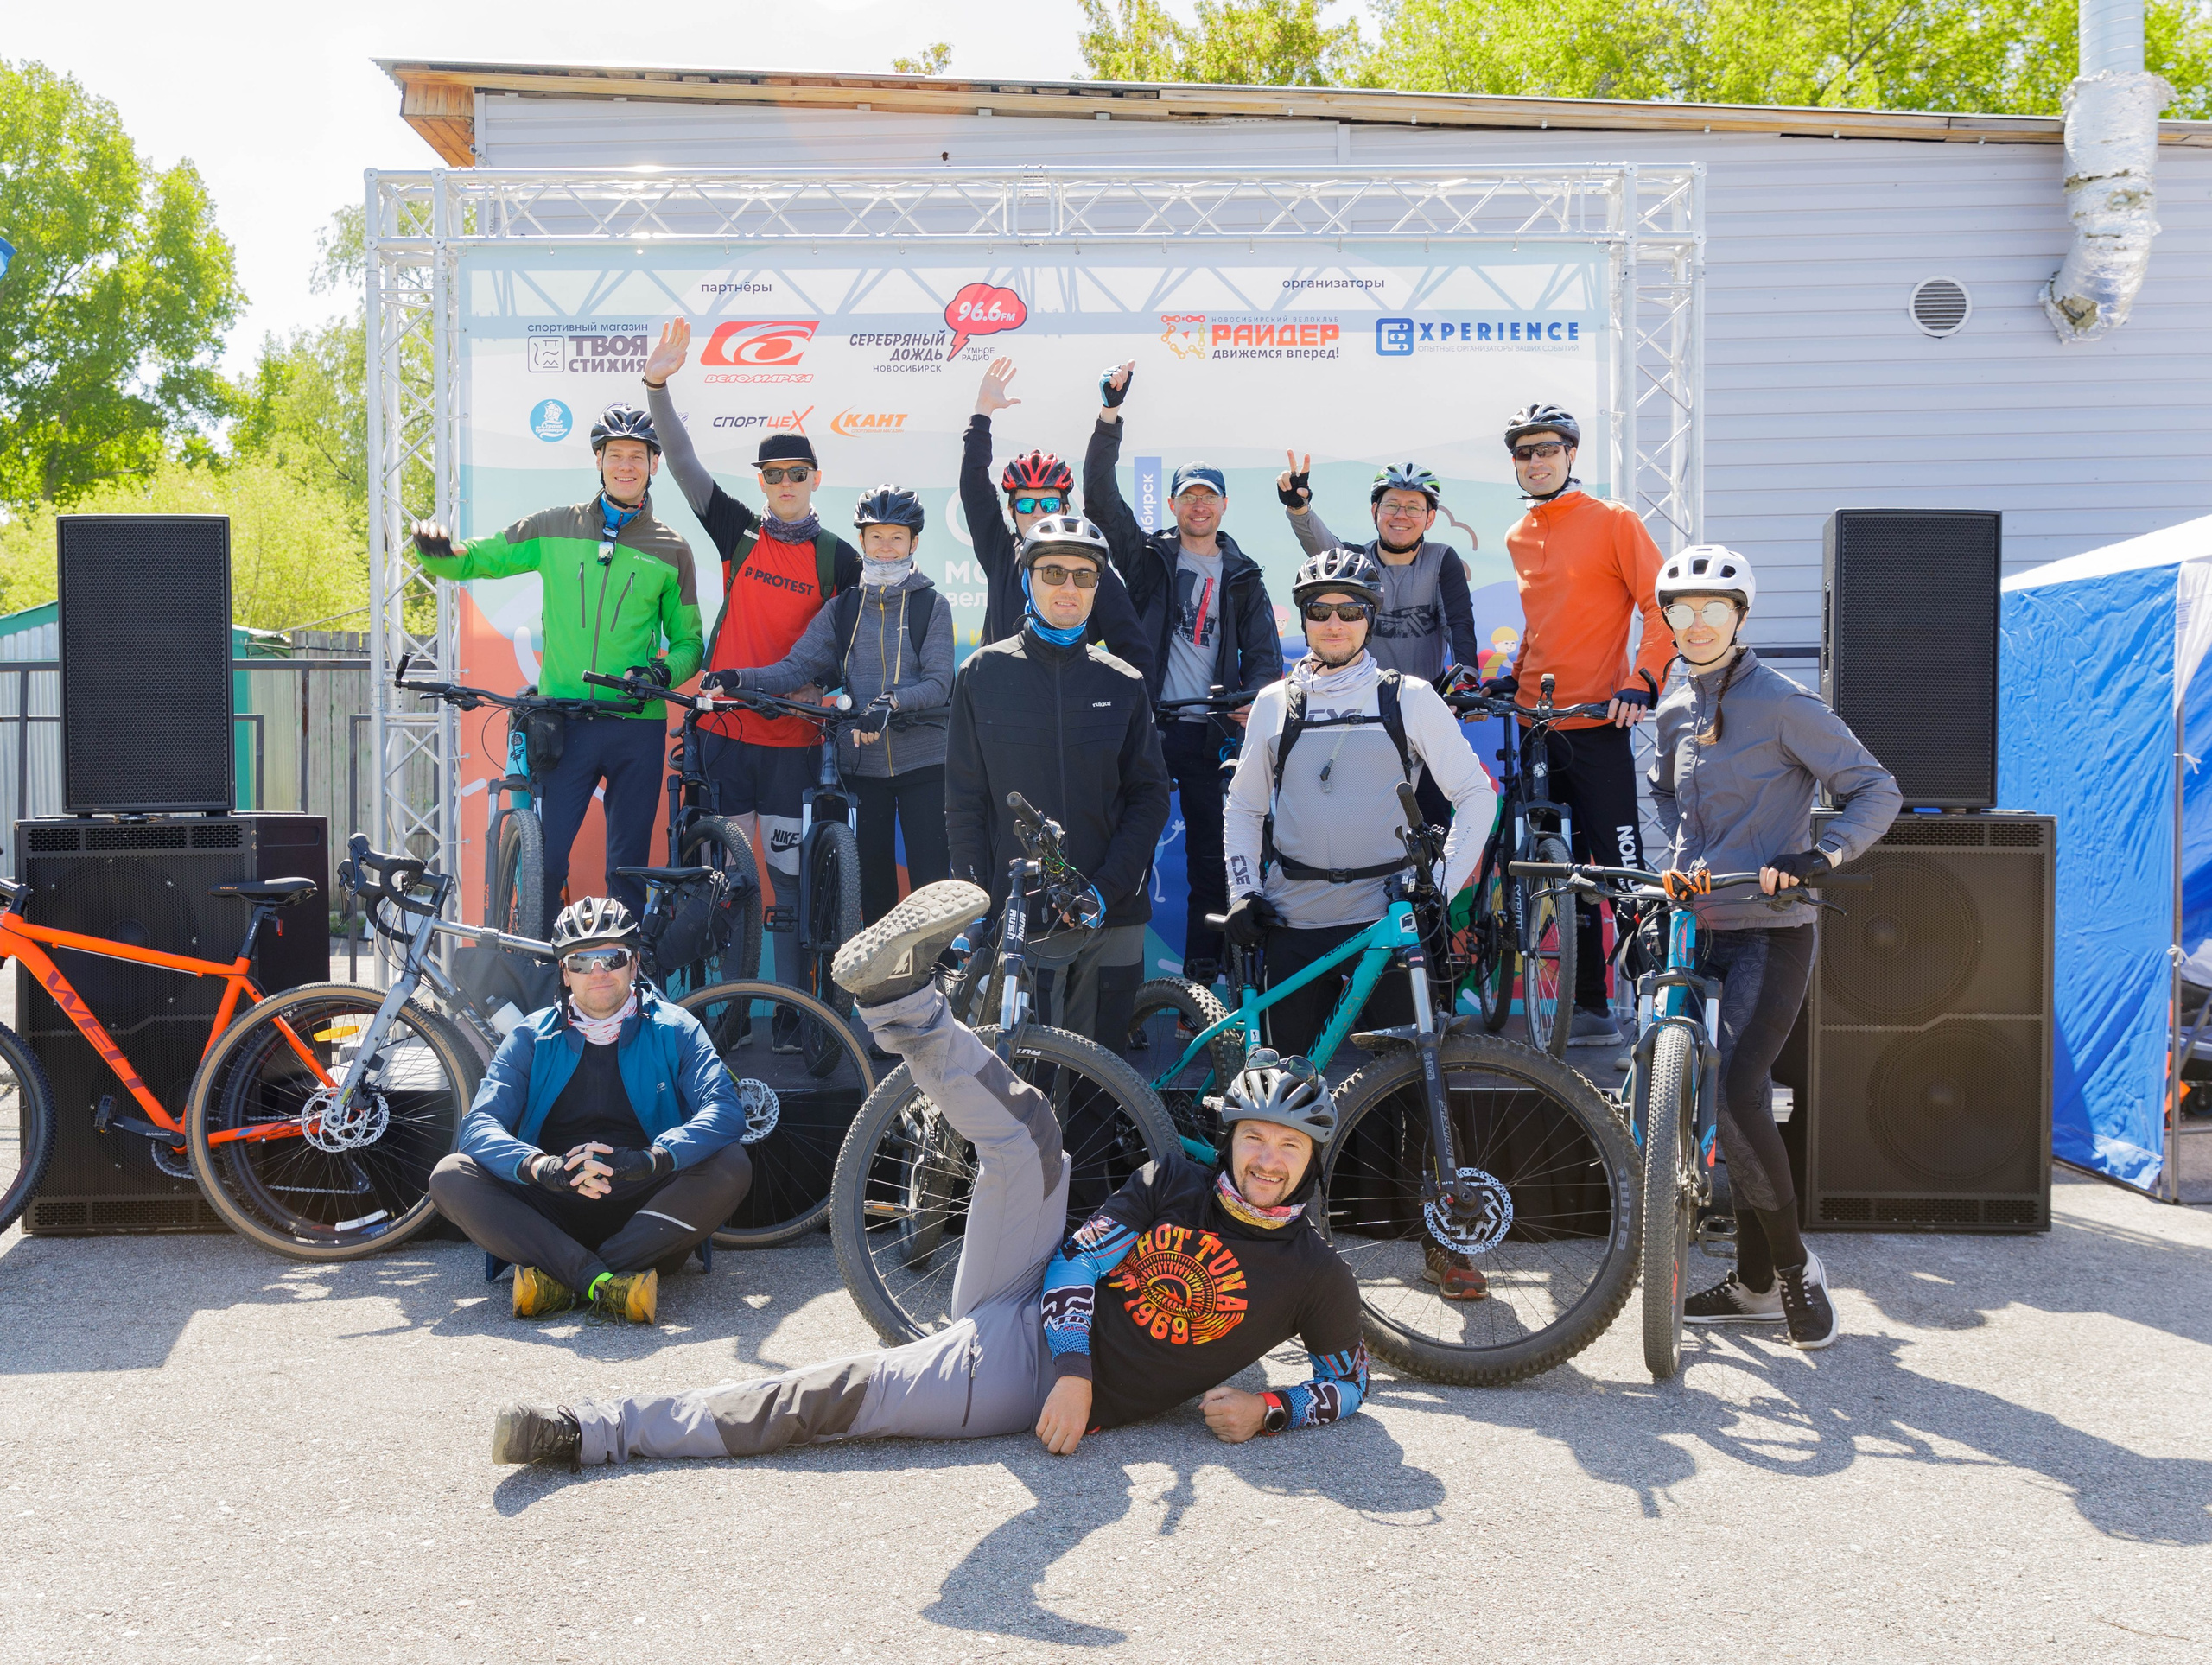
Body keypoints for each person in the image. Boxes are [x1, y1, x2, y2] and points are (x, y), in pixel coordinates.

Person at [488, 880, 1369, 1468]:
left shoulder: (1314, 1276)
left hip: (1008, 1372)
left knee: (829, 1399)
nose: (1264, 1160)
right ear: (1236, 1135)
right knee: (1033, 1138)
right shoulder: (1178, 1179)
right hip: (1037, 1312)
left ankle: (598, 1430)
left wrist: (1274, 1411)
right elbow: (1073, 1264)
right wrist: (1076, 1368)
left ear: (1309, 1163)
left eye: (1287, 1149)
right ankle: (902, 999)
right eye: (1256, 1137)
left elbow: (1351, 1378)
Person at [1221, 546, 1498, 1301]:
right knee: (1277, 1093)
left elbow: (1477, 794)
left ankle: (1449, 1241)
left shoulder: (1408, 695)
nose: (1335, 622)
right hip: (1297, 911)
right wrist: (1244, 890)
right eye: (1320, 611)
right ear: (1303, 618)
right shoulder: (1280, 701)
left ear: (1370, 616)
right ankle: (1268, 1248)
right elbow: (1244, 806)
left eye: (1350, 610)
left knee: (1422, 1080)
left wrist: (1439, 887)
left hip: (1389, 919)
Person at [1647, 546, 1901, 1350]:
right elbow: (1668, 796)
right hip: (1693, 927)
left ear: (1742, 617)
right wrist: (1679, 864)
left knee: (1736, 1092)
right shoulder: (1672, 703)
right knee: (1673, 1089)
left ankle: (1791, 1270)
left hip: (1770, 928)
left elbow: (1876, 788)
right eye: (1679, 611)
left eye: (1713, 610)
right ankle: (1751, 1283)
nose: (1695, 624)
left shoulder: (1786, 703)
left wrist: (1819, 856)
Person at [641, 319, 862, 1044]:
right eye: (774, 475)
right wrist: (657, 387)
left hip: (793, 743)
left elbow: (848, 647)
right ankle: (728, 1014)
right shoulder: (739, 531)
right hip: (727, 737)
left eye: (799, 474)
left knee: (792, 891)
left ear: (816, 479)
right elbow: (678, 461)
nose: (787, 485)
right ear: (761, 483)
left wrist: (830, 696)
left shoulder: (839, 557)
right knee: (727, 886)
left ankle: (798, 1016)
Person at [408, 405, 702, 925]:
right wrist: (436, 552)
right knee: (546, 863)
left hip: (637, 726)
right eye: (616, 456)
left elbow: (689, 643)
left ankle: (622, 984)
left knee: (628, 869)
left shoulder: (672, 549)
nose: (627, 466)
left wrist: (660, 675)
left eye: (638, 456)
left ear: (654, 464)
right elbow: (480, 557)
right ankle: (538, 977)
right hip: (565, 724)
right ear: (599, 460)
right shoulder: (553, 527)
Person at [428, 897, 755, 1325]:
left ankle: (568, 1277)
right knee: (451, 1176)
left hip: (646, 1205)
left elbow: (725, 1109)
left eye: (612, 958)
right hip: (553, 1204)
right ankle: (603, 1281)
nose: (598, 972)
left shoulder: (676, 1028)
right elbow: (479, 1127)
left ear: (634, 964)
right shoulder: (530, 1037)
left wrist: (652, 1158)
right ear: (565, 973)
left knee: (732, 1163)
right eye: (581, 962)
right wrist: (543, 1168)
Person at [1085, 361, 1282, 986]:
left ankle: (1202, 980)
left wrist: (1250, 702)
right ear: (1172, 504)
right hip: (1146, 727)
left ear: (1223, 504)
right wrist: (1109, 418)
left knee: (1210, 861)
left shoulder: (1246, 575)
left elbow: (1265, 655)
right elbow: (1099, 497)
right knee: (1124, 855)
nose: (1199, 505)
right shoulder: (1147, 560)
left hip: (1209, 734)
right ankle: (1115, 981)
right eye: (1188, 495)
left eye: (1209, 495)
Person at [944, 517, 1170, 1047]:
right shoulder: (981, 675)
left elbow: (1149, 797)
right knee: (1029, 1084)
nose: (1069, 587)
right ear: (1027, 580)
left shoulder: (1124, 682)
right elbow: (965, 805)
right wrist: (975, 905)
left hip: (1112, 915)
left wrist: (1105, 888)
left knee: (1104, 1092)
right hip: (1023, 917)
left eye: (1084, 576)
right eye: (1053, 572)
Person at [1489, 403, 1674, 1045]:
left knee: (1620, 873)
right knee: (1555, 878)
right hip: (1537, 725)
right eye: (1524, 452)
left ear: (1570, 455)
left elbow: (1661, 606)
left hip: (1598, 721)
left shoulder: (1613, 520)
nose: (1536, 461)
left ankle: (1656, 1015)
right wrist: (1510, 678)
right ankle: (1589, 1007)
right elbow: (1545, 630)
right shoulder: (1518, 534)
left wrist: (1643, 678)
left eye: (1547, 449)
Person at [713, 486, 953, 927]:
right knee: (874, 892)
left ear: (914, 543)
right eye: (875, 536)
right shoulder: (842, 608)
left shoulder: (932, 606)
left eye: (896, 537)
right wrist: (738, 678)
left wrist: (890, 702)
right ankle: (886, 995)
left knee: (932, 890)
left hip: (925, 764)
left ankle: (938, 986)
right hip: (861, 768)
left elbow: (939, 683)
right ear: (861, 541)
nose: (885, 546)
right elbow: (796, 667)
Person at [1279, 455, 1483, 828]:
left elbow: (1459, 624)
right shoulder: (1360, 562)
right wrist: (1299, 506)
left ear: (1430, 517)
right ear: (1375, 510)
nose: (1400, 515)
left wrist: (1466, 680)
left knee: (1431, 825)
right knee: (1358, 821)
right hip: (1361, 712)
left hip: (1423, 713)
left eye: (1413, 507)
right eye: (1391, 505)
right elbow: (1322, 547)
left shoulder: (1441, 560)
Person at [963, 358, 1153, 675]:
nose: (1037, 513)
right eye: (1025, 505)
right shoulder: (1000, 554)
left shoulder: (1091, 568)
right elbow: (974, 488)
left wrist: (1136, 721)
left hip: (1069, 713)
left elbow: (1135, 654)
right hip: (1002, 711)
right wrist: (982, 412)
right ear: (1011, 512)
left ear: (1065, 509)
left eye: (1049, 505)